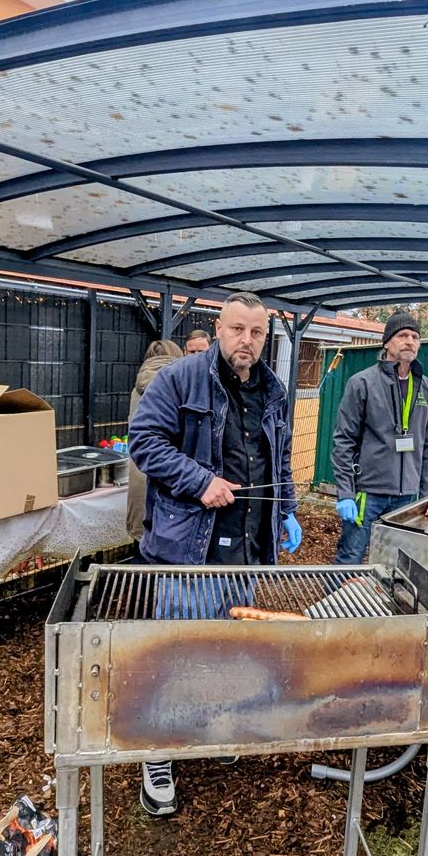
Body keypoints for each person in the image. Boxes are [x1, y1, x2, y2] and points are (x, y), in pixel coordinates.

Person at [128, 291, 302, 817]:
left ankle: (212, 724)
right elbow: (144, 441)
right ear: (219, 328)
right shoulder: (180, 379)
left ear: (265, 338)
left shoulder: (273, 390)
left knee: (229, 647)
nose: (246, 340)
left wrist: (286, 510)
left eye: (257, 332)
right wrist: (200, 481)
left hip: (246, 546)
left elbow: (281, 457)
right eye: (237, 329)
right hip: (189, 547)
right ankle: (158, 753)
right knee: (177, 653)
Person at [331, 311, 428, 564]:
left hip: (407, 497)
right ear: (387, 343)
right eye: (402, 335)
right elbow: (343, 441)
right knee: (350, 557)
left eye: (415, 337)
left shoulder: (425, 388)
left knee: (394, 562)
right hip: (368, 493)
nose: (410, 341)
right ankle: (338, 593)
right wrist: (345, 492)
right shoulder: (362, 383)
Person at [126, 339, 182, 545]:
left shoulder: (137, 389)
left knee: (142, 541)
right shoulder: (179, 387)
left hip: (140, 472)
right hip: (169, 476)